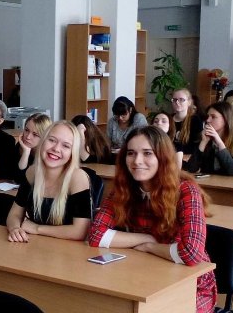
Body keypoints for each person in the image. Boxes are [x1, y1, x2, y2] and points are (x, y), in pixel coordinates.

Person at [88, 126, 216, 312]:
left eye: (147, 153)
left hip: (190, 284)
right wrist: (146, 238)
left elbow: (191, 254)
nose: (137, 161)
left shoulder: (186, 190)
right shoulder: (123, 189)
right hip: (143, 274)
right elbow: (95, 236)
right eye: (131, 153)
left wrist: (149, 247)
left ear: (162, 157)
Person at [6, 121, 92, 242]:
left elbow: (80, 231)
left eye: (66, 146)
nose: (56, 149)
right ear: (42, 142)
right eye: (52, 140)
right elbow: (14, 214)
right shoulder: (32, 172)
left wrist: (37, 228)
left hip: (68, 249)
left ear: (72, 154)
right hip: (34, 245)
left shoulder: (78, 177)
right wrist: (15, 228)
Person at [188, 102, 233, 177]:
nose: (208, 120)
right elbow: (191, 169)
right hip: (212, 181)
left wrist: (219, 143)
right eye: (208, 116)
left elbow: (232, 171)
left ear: (226, 119)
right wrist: (203, 142)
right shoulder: (204, 137)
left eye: (213, 117)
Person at [170, 88, 203, 156]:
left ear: (189, 102)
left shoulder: (195, 120)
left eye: (181, 100)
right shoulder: (168, 119)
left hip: (188, 157)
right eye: (174, 100)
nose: (177, 102)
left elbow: (196, 145)